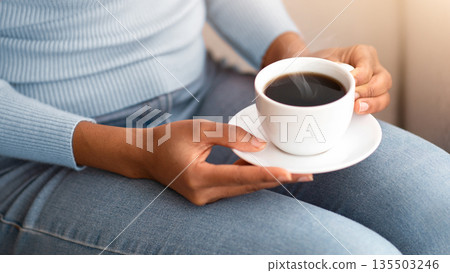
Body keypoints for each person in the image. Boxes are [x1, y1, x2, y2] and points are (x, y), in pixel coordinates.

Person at [0, 0, 448, 255]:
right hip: (38, 153)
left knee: (440, 206)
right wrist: (134, 150)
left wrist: (289, 58)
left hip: (203, 92)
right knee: (352, 260)